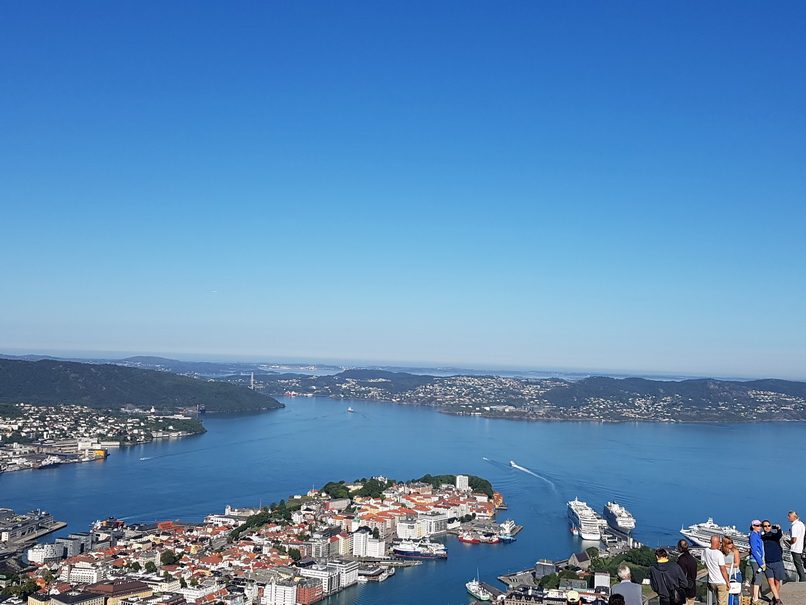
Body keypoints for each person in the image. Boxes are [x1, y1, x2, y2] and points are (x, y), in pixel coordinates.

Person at [703, 534, 731, 605]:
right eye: (720, 542)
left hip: (712, 581)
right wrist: (727, 582)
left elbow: (703, 562)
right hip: (721, 581)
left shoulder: (706, 551)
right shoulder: (719, 554)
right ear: (718, 542)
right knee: (722, 603)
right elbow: (723, 568)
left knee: (717, 600)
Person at [761, 520, 784, 605]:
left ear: (771, 526)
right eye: (765, 526)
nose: (767, 527)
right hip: (767, 562)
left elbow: (779, 535)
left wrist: (779, 529)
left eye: (768, 525)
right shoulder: (762, 538)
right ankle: (778, 600)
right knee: (770, 581)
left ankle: (774, 598)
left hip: (777, 560)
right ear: (762, 527)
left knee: (777, 581)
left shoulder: (774, 536)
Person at [749, 520, 766, 605]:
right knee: (758, 579)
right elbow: (754, 550)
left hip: (757, 559)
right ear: (753, 526)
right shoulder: (753, 536)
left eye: (760, 525)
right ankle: (755, 599)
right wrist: (761, 562)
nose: (760, 527)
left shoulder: (758, 535)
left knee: (755, 578)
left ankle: (754, 596)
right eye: (758, 525)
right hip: (756, 560)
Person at [676, 539, 698, 605]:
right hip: (692, 589)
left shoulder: (681, 560)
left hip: (684, 591)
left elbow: (680, 575)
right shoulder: (693, 559)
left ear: (679, 548)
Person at [721, 536, 742, 605]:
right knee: (725, 594)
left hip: (734, 574)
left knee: (735, 594)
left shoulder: (735, 551)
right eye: (729, 543)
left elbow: (737, 564)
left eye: (731, 543)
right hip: (724, 575)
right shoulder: (721, 552)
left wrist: (725, 565)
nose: (731, 544)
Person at [788, 510, 806, 582]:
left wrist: (789, 542)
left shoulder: (794, 526)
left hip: (795, 547)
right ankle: (802, 578)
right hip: (800, 546)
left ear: (794, 517)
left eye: (789, 516)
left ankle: (802, 578)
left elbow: (794, 539)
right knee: (799, 564)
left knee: (798, 564)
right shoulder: (801, 524)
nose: (788, 518)